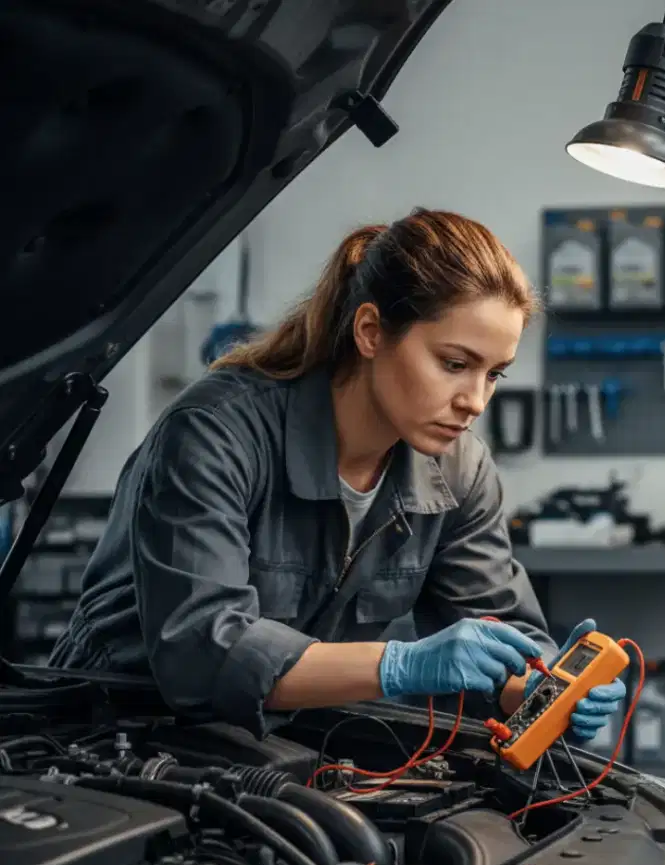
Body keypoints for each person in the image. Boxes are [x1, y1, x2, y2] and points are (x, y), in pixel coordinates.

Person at [51, 209, 627, 742]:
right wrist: (402, 665)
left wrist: (539, 689)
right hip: (109, 732)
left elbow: (499, 632)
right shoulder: (215, 432)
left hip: (276, 742)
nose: (475, 401)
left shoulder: (460, 470)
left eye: (494, 374)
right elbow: (204, 652)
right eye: (455, 364)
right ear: (371, 331)